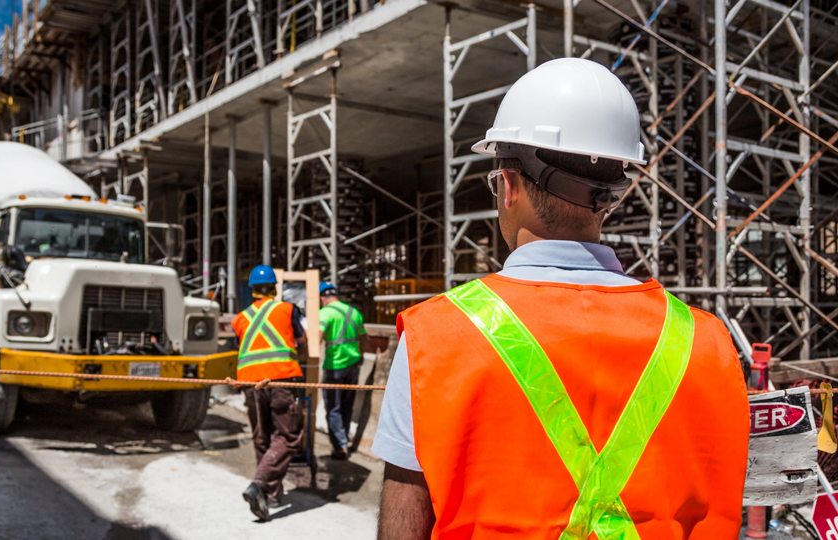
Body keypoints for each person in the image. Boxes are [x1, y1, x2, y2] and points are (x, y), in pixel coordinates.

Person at [374, 58, 749, 539]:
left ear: (507, 186)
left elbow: (404, 521)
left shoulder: (436, 338)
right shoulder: (707, 341)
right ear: (611, 195)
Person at [231, 265, 308, 521]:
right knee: (289, 437)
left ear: (252, 290)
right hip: (280, 379)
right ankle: (260, 485)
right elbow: (302, 340)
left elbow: (241, 348)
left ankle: (271, 495)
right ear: (275, 288)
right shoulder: (287, 310)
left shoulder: (240, 318)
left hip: (250, 384)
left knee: (262, 436)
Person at [317, 281, 368, 459]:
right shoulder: (354, 312)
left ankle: (339, 447)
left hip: (334, 367)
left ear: (322, 298)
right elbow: (364, 338)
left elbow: (318, 336)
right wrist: (360, 356)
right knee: (347, 406)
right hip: (353, 366)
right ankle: (344, 440)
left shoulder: (325, 313)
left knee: (333, 407)